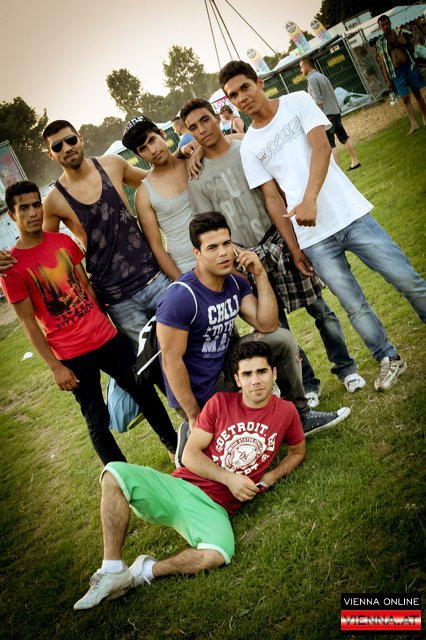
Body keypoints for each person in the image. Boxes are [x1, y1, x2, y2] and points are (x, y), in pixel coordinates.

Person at [218, 60, 426, 391]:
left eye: (245, 87)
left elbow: (322, 147)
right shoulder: (251, 146)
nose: (241, 97)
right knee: (353, 305)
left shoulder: (297, 101)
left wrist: (310, 199)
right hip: (313, 239)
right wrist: (295, 247)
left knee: (406, 279)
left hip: (350, 215)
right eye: (233, 95)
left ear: (260, 82)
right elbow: (272, 199)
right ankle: (389, 357)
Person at [73, 340, 307, 610]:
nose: (255, 381)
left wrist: (271, 477)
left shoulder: (286, 412)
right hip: (180, 487)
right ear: (237, 379)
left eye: (262, 372)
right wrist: (229, 478)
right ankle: (112, 568)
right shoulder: (220, 403)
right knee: (113, 473)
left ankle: (142, 572)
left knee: (219, 554)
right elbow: (190, 455)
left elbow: (297, 452)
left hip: (215, 508)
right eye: (247, 374)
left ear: (274, 373)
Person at [180, 97, 365, 403]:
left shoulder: (246, 148)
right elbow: (209, 226)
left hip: (279, 238)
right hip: (247, 257)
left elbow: (276, 191)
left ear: (217, 117)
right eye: (193, 128)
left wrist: (294, 243)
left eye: (205, 120)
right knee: (276, 328)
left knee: (320, 309)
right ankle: (308, 384)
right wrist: (235, 264)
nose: (201, 130)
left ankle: (346, 368)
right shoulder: (197, 177)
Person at [1, 181, 178, 463]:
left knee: (144, 391)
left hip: (105, 337)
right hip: (71, 353)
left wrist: (105, 323)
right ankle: (121, 478)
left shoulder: (62, 242)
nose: (33, 212)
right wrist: (55, 367)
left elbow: (86, 287)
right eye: (24, 208)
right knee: (96, 418)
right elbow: (28, 323)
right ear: (12, 215)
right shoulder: (11, 267)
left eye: (36, 205)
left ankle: (175, 448)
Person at [156, 211, 350, 454]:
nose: (223, 253)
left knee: (281, 339)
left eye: (226, 243)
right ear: (197, 253)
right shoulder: (181, 297)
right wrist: (194, 414)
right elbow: (170, 361)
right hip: (200, 392)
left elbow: (267, 325)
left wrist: (260, 274)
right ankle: (191, 433)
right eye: (212, 247)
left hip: (229, 370)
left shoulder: (234, 282)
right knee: (242, 452)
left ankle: (301, 416)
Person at [299, 57, 360, 170]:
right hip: (335, 111)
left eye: (301, 67)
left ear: (307, 65)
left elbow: (318, 100)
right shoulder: (322, 76)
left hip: (326, 115)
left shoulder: (311, 79)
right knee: (344, 137)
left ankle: (338, 173)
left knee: (330, 144)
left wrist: (317, 117)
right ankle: (355, 162)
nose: (300, 70)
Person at [376, 15, 426, 135]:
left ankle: (425, 116)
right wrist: (387, 80)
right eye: (382, 25)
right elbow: (383, 63)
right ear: (380, 27)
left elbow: (412, 49)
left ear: (390, 23)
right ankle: (413, 123)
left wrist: (404, 43)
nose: (385, 26)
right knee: (405, 98)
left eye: (387, 23)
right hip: (395, 72)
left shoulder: (400, 33)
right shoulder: (380, 42)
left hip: (408, 66)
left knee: (417, 93)